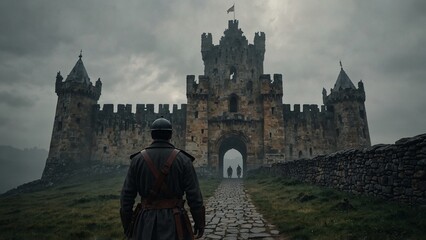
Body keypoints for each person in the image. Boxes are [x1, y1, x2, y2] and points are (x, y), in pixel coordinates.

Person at [120, 117, 205, 240]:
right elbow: (195, 197)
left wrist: (127, 225)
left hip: (145, 222)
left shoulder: (137, 160)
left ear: (152, 134)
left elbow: (126, 198)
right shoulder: (184, 160)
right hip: (175, 222)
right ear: (170, 134)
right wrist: (199, 223)